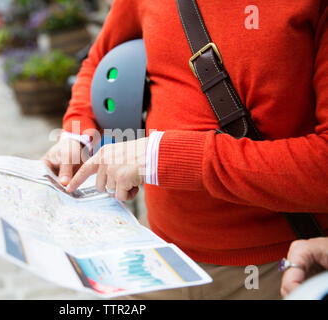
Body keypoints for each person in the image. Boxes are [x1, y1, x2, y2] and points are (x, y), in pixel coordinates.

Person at [42, 0, 328, 299]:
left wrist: (162, 156)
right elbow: (97, 59)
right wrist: (76, 135)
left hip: (278, 266)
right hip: (157, 253)